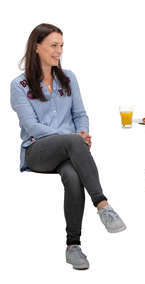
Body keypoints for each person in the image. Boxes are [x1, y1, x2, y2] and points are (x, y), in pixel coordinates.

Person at [10, 23, 126, 270]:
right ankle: (103, 205)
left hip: (70, 150)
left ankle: (73, 247)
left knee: (73, 177)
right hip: (37, 151)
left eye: (61, 45)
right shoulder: (19, 85)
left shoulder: (68, 78)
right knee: (72, 140)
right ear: (36, 47)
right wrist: (75, 138)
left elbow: (80, 114)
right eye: (53, 45)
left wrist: (82, 133)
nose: (59, 51)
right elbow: (32, 127)